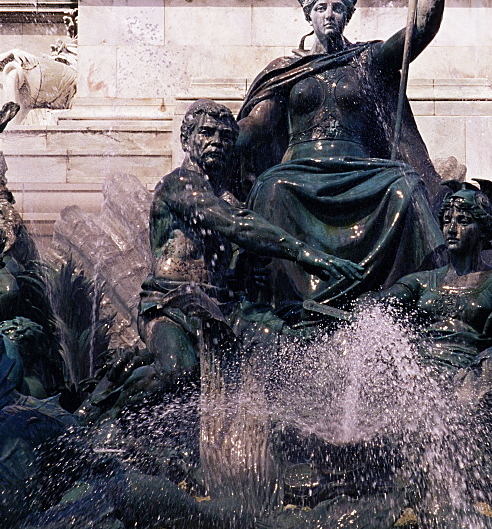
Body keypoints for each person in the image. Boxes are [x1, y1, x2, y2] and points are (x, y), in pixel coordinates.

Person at [236, 0, 446, 306]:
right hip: (299, 170)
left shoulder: (367, 60)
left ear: (347, 16)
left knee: (405, 185)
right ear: (308, 15)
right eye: (321, 7)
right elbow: (258, 126)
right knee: (271, 187)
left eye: (337, 8)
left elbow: (422, 27)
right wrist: (225, 136)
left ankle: (424, 295)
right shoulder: (287, 69)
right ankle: (275, 301)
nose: (329, 14)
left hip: (357, 169)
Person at [138, 99, 363, 377]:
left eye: (226, 137)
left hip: (221, 305)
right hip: (170, 302)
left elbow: (242, 238)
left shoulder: (227, 198)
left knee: (282, 344)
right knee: (178, 370)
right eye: (207, 133)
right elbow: (237, 225)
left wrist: (243, 273)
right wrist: (304, 253)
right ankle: (110, 405)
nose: (217, 142)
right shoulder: (178, 183)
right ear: (187, 138)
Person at [375, 181, 492, 376]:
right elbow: (374, 304)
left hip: (470, 376)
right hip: (418, 373)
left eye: (463, 221)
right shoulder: (421, 281)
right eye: (447, 220)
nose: (451, 229)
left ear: (483, 230)